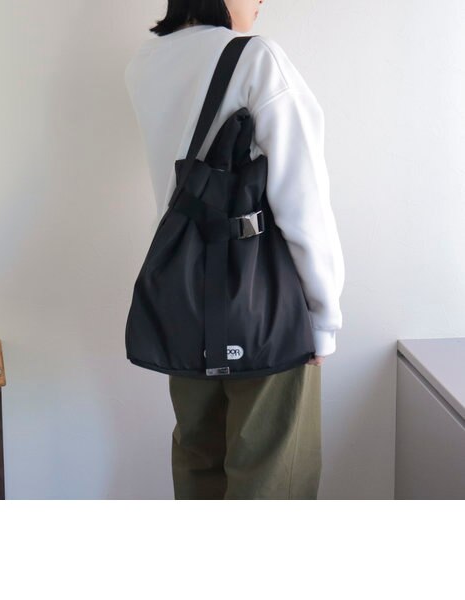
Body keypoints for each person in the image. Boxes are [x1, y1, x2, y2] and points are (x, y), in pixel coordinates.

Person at [124, 0, 345, 499]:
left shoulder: (144, 63)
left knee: (199, 460)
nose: (262, 2)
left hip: (183, 297)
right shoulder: (256, 58)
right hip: (263, 304)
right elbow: (302, 198)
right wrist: (323, 317)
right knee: (273, 475)